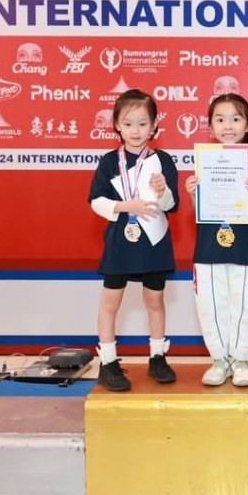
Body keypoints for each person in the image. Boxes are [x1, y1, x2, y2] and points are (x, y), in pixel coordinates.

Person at [184, 93, 248, 387]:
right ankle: (219, 360)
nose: (228, 126)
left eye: (236, 119)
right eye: (220, 119)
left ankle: (240, 361)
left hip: (246, 250)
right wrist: (192, 193)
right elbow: (199, 211)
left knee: (244, 305)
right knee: (211, 306)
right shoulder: (204, 162)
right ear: (210, 127)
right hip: (209, 249)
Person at [88, 89, 181, 391]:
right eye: (128, 124)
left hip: (154, 239)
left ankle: (157, 356)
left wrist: (163, 191)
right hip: (120, 239)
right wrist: (126, 206)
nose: (136, 131)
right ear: (117, 125)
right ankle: (108, 362)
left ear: (154, 126)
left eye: (143, 124)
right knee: (111, 302)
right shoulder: (108, 162)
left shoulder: (162, 161)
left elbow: (172, 205)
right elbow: (96, 201)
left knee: (155, 301)